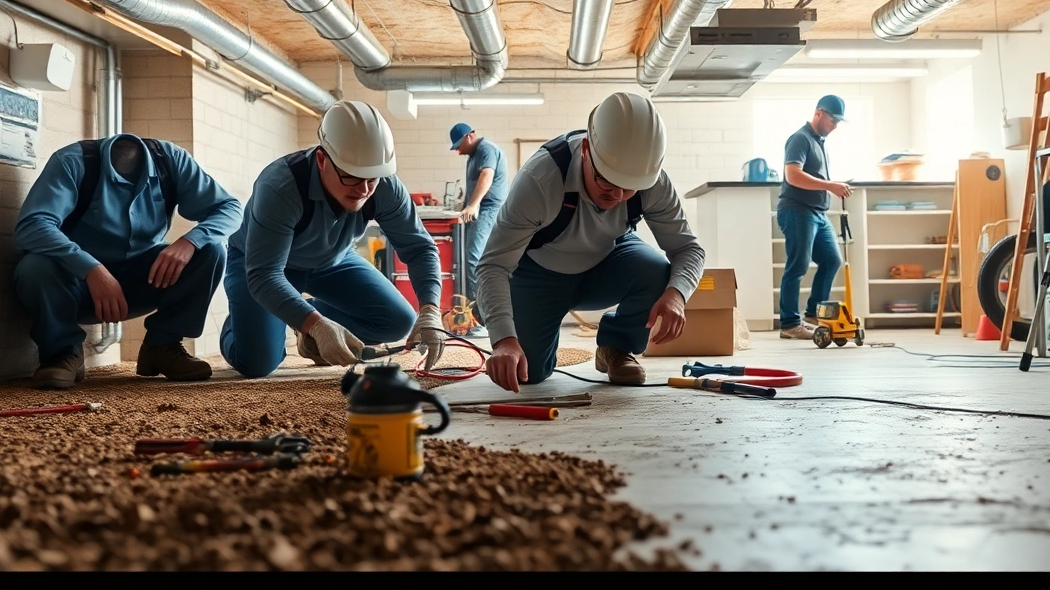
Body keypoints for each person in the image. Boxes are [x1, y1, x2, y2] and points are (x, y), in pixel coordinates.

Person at [478, 91, 706, 393]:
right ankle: (529, 337)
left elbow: (688, 249)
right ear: (586, 149)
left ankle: (616, 347)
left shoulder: (652, 183)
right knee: (526, 372)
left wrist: (677, 294)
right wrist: (504, 340)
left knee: (656, 271)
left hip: (607, 263)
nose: (618, 195)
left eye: (630, 189)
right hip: (540, 275)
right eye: (607, 181)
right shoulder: (541, 180)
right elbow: (493, 265)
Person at [218, 100, 447, 377]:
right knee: (258, 363)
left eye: (371, 178)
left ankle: (304, 320)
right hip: (265, 266)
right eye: (351, 177)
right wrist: (315, 324)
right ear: (322, 160)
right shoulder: (280, 186)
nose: (363, 189)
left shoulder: (383, 185)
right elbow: (264, 275)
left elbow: (420, 248)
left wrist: (431, 309)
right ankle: (245, 322)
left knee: (398, 321)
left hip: (331, 261)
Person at [14, 133, 243, 389]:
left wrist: (189, 242)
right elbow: (31, 226)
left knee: (210, 249)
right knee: (34, 266)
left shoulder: (171, 160)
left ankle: (162, 345)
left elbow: (231, 208)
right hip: (77, 287)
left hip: (143, 281)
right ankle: (62, 353)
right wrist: (91, 269)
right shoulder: (72, 161)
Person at [776, 94, 853, 340]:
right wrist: (830, 185)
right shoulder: (800, 139)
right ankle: (789, 324)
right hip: (797, 210)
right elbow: (793, 176)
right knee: (798, 266)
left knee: (832, 260)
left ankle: (813, 315)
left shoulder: (819, 141)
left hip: (817, 214)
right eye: (833, 120)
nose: (835, 126)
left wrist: (830, 186)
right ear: (819, 112)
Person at [448, 122, 508, 339]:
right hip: (480, 209)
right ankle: (481, 317)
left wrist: (473, 205)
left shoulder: (485, 149)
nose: (457, 150)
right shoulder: (473, 155)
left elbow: (487, 176)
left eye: (458, 145)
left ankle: (482, 320)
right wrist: (466, 204)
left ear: (469, 136)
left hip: (488, 209)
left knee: (475, 261)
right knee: (474, 261)